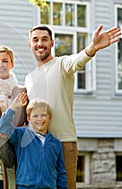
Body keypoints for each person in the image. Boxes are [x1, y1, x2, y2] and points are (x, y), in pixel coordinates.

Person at [24, 24, 121, 188]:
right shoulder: (29, 78)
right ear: (30, 44)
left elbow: (79, 59)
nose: (40, 43)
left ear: (52, 43)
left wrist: (93, 47)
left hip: (63, 143)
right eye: (36, 40)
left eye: (44, 39)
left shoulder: (62, 64)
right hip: (38, 145)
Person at [0, 95, 67, 189]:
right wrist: (13, 107)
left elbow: (61, 172)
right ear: (29, 119)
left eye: (43, 115)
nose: (40, 119)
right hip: (25, 186)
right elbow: (2, 127)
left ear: (49, 117)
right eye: (35, 116)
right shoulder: (21, 135)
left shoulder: (56, 144)